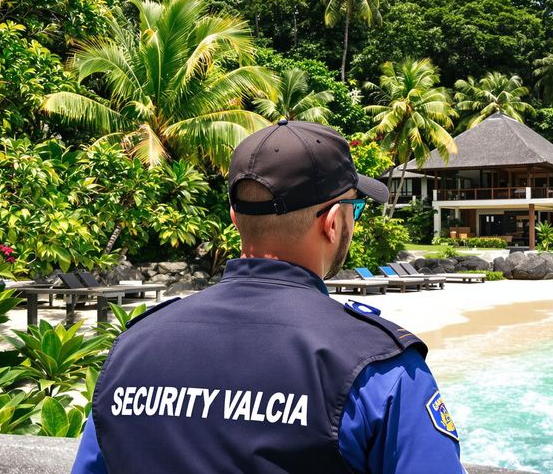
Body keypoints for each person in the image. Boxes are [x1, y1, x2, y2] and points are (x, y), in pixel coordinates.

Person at [72, 120, 465, 474]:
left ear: (234, 218)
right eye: (354, 209)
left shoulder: (132, 349)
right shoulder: (379, 367)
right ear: (332, 223)